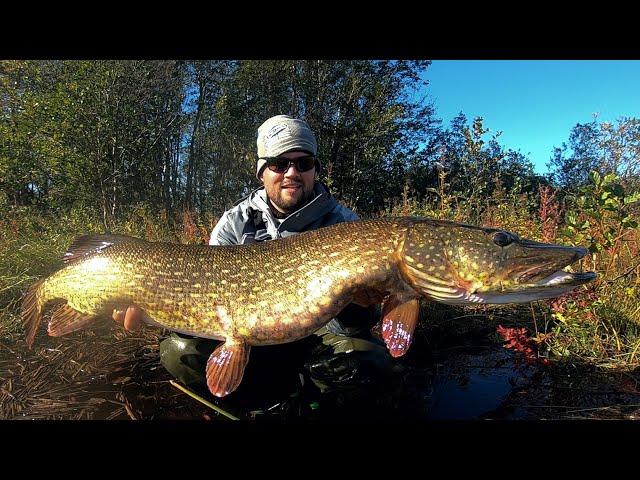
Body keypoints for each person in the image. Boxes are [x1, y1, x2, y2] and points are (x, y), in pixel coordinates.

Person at [113, 115, 393, 401]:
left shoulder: (347, 226)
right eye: (279, 163)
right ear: (262, 172)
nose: (292, 172)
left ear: (314, 170)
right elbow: (206, 297)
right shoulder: (234, 223)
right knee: (180, 352)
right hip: (248, 342)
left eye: (304, 163)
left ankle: (307, 398)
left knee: (369, 361)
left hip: (315, 340)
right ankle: (259, 400)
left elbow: (357, 327)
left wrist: (358, 306)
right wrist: (152, 307)